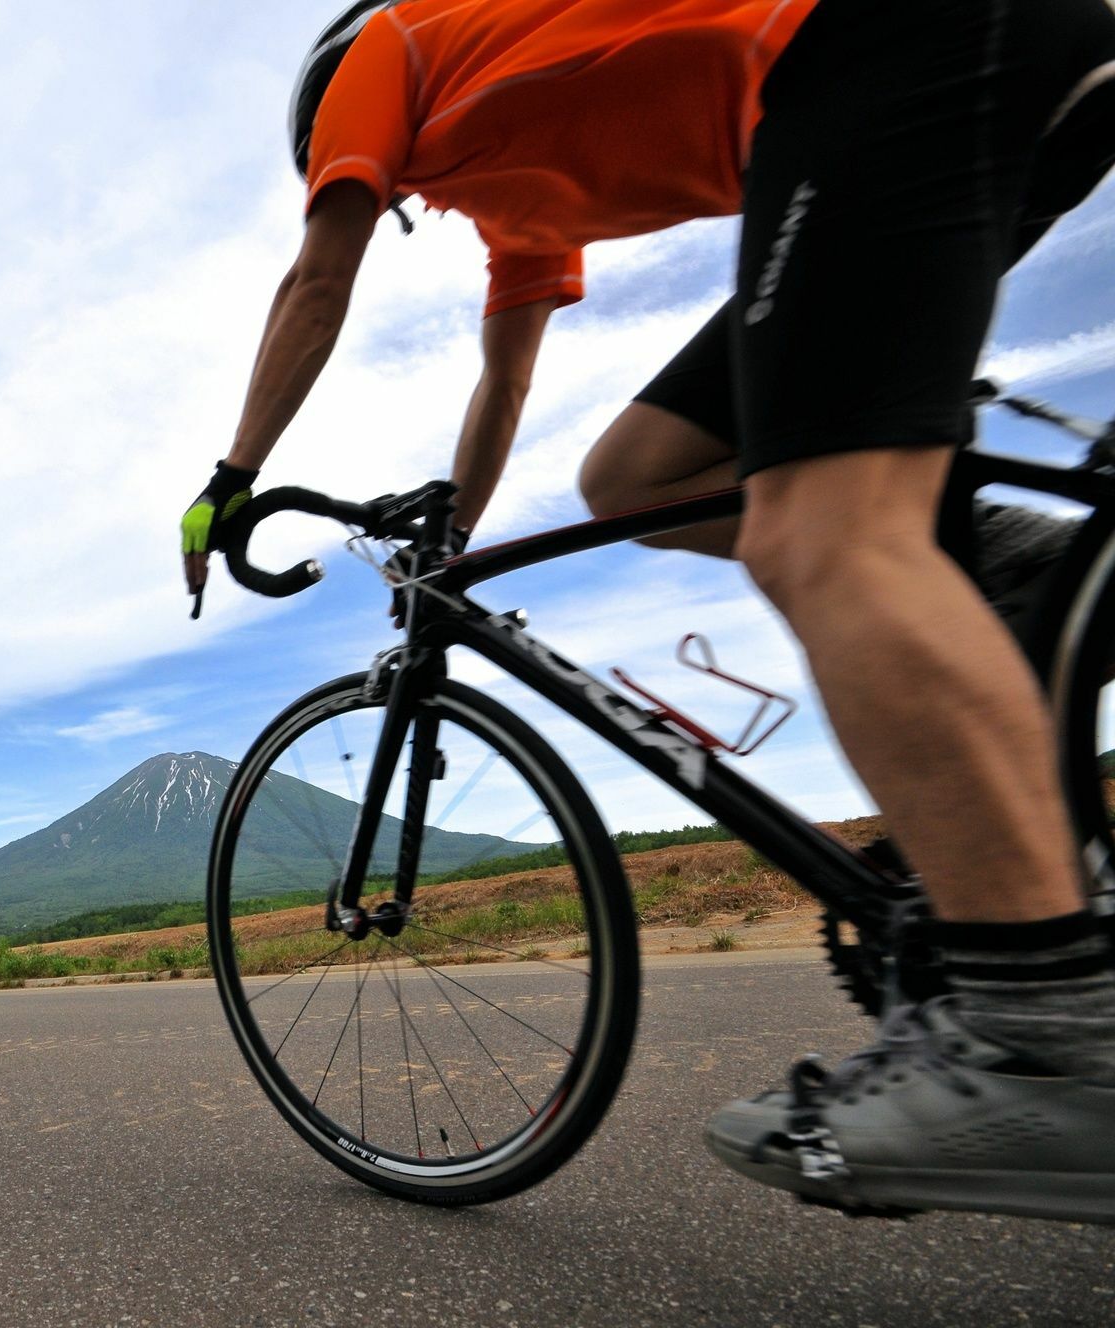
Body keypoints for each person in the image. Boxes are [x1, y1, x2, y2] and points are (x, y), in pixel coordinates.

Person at [183, 0, 1115, 1222]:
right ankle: (1004, 569)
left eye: (344, 169)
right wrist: (448, 550)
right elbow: (504, 374)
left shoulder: (381, 47)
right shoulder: (509, 195)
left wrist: (230, 480)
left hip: (888, 48)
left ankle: (1039, 1038)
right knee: (634, 476)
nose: (378, 187)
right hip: (965, 76)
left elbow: (319, 278)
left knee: (815, 529)